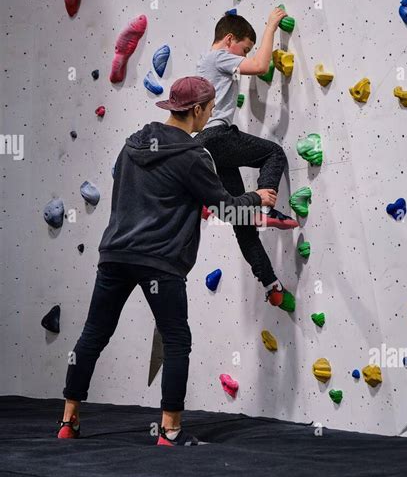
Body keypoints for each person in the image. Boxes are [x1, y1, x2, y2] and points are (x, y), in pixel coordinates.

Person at [57, 76, 276, 447]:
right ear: (196, 110)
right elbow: (225, 208)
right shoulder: (193, 156)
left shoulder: (131, 145)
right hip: (160, 260)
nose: (210, 116)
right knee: (177, 340)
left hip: (114, 253)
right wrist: (257, 197)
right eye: (208, 109)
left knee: (93, 335)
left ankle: (68, 420)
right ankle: (170, 430)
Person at [194, 9, 297, 312]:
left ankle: (271, 285)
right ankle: (263, 206)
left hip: (206, 148)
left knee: (241, 219)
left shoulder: (206, 65)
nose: (245, 55)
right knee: (273, 153)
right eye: (244, 48)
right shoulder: (216, 58)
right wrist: (270, 28)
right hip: (217, 138)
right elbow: (261, 65)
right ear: (229, 40)